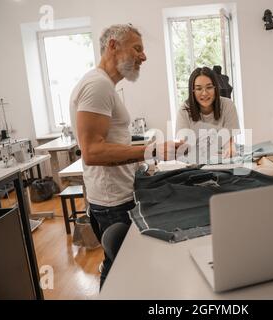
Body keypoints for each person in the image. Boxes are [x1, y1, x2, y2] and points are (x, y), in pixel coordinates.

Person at [70, 24, 181, 288]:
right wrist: (150, 151)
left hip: (115, 197)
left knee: (116, 266)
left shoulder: (104, 85)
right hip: (112, 204)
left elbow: (110, 140)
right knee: (124, 273)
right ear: (113, 46)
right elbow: (92, 152)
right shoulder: (97, 86)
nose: (143, 57)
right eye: (137, 49)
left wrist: (145, 157)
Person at [176, 66, 239, 160]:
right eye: (198, 89)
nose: (204, 93)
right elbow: (183, 147)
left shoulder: (228, 105)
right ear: (192, 91)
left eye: (209, 87)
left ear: (215, 89)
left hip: (221, 160)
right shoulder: (184, 109)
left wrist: (230, 151)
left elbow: (229, 143)